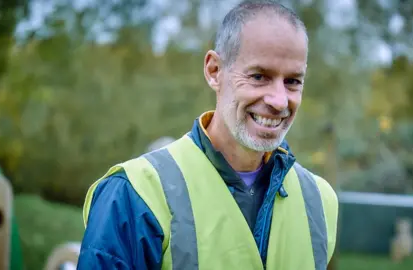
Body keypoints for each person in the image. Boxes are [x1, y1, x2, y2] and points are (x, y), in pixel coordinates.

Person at [77, 0, 339, 269]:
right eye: (259, 76)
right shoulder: (134, 194)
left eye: (292, 81)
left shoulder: (320, 202)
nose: (279, 101)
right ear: (215, 71)